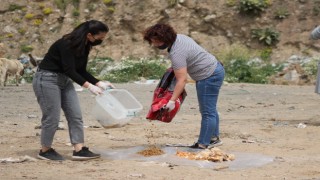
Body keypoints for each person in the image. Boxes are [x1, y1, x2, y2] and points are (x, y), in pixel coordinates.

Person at [32, 20, 114, 160]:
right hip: (47, 79)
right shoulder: (66, 44)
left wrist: (99, 83)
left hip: (65, 80)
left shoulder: (85, 46)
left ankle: (79, 149)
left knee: (75, 115)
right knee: (52, 117)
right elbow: (69, 69)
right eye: (100, 38)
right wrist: (89, 86)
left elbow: (80, 70)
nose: (101, 41)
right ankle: (45, 150)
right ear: (89, 35)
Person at [143, 24, 225, 149]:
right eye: (152, 41)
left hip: (208, 75)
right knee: (210, 109)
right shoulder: (180, 38)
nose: (155, 44)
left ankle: (203, 144)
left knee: (207, 112)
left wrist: (172, 101)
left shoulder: (177, 52)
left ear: (165, 38)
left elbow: (182, 80)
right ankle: (213, 138)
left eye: (157, 41)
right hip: (214, 68)